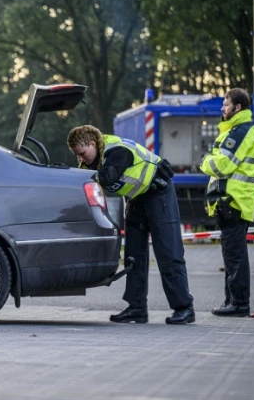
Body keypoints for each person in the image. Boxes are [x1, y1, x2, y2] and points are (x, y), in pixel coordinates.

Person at [67, 125, 195, 325]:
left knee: (168, 253)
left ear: (92, 143)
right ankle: (137, 309)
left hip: (158, 193)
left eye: (82, 154)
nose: (81, 159)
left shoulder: (117, 151)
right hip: (137, 199)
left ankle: (184, 308)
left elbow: (107, 176)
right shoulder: (94, 158)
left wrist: (79, 176)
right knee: (134, 256)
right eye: (77, 156)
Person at [201, 88, 254, 317]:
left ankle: (238, 304)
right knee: (232, 255)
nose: (222, 109)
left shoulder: (240, 132)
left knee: (234, 256)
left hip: (233, 202)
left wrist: (205, 161)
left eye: (226, 105)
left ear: (238, 107)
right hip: (234, 201)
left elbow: (222, 165)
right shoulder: (240, 130)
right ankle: (233, 301)